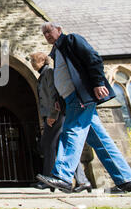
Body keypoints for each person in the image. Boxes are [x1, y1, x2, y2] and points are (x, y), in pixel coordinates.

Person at [36, 22, 131, 194]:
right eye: (44, 34)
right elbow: (62, 77)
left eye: (49, 31)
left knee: (71, 131)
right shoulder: (57, 52)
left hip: (80, 95)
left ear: (59, 30)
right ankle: (127, 180)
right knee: (100, 140)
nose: (47, 35)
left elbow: (93, 58)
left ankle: (62, 176)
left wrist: (98, 82)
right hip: (69, 98)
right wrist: (58, 99)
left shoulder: (72, 41)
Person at [30, 52, 91, 193]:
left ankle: (48, 179)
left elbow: (53, 95)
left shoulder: (49, 73)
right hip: (53, 116)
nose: (32, 63)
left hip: (55, 116)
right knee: (62, 148)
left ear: (41, 61)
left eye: (34, 60)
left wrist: (52, 114)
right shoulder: (43, 74)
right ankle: (83, 180)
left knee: (48, 145)